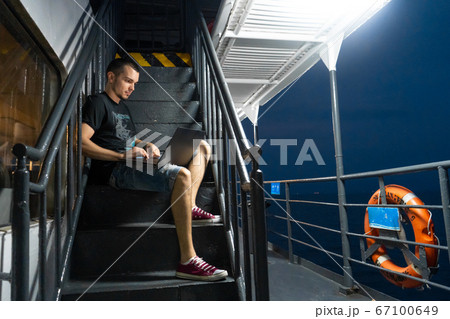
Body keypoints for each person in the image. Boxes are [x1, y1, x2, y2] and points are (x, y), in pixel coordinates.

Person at [81, 58, 227, 281]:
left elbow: (129, 139)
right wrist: (121, 155)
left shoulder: (123, 108)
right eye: (128, 81)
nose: (132, 87)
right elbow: (80, 142)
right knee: (183, 175)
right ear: (111, 77)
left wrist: (145, 144)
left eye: (135, 83)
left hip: (136, 161)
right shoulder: (97, 103)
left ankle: (190, 206)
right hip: (116, 169)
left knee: (203, 146)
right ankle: (188, 261)